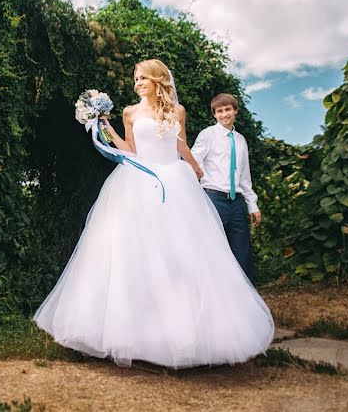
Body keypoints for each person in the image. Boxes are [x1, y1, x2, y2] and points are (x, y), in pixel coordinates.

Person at [33, 59, 274, 369]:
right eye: (136, 78)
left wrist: (195, 167)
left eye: (143, 77)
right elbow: (130, 150)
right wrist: (102, 127)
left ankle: (181, 333)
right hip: (138, 182)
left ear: (159, 79)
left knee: (180, 257)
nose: (138, 83)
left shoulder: (178, 111)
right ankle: (132, 333)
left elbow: (180, 145)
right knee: (134, 257)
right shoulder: (129, 113)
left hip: (175, 182)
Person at [191, 94, 260, 282]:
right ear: (214, 114)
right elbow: (193, 162)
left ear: (235, 111)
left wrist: (252, 205)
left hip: (236, 202)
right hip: (214, 199)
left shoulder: (240, 140)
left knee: (242, 251)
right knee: (212, 249)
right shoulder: (208, 135)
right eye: (219, 111)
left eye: (228, 109)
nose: (224, 114)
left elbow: (244, 175)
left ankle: (245, 297)